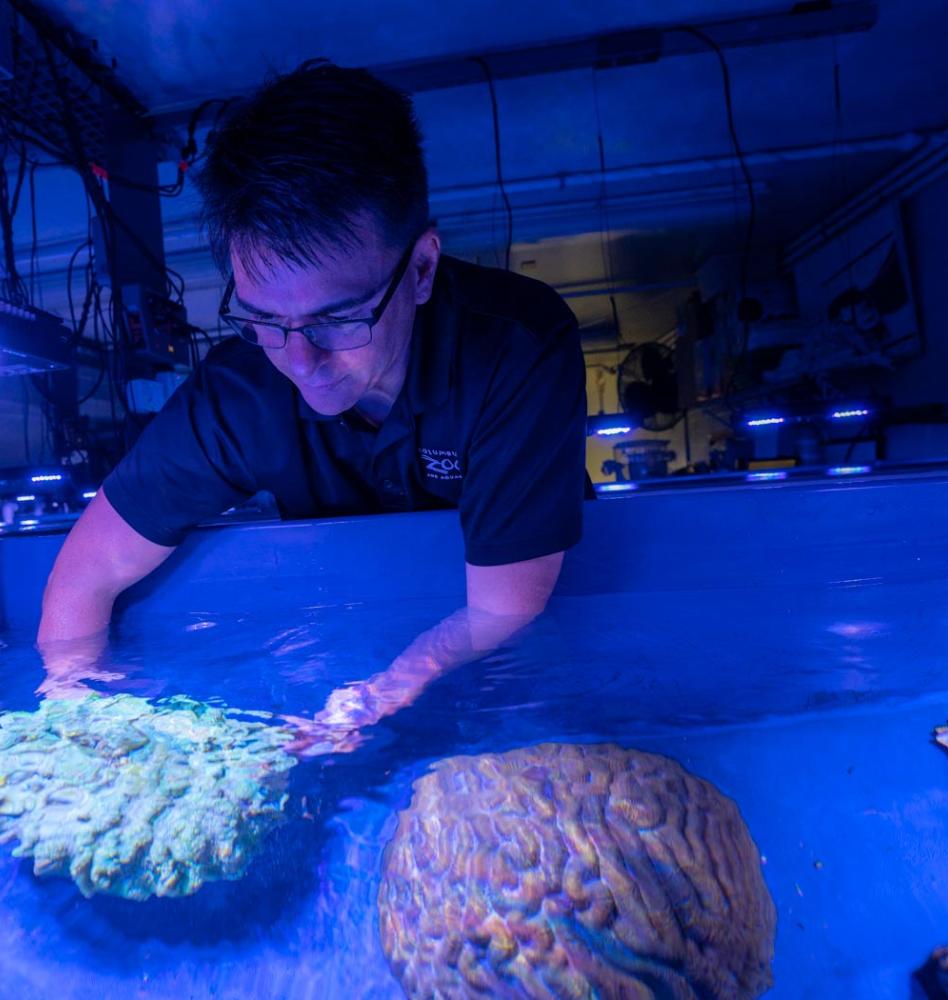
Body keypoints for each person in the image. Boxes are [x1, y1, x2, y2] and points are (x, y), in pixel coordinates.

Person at [38, 62, 587, 753]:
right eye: (263, 318)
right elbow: (88, 573)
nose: (298, 361)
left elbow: (505, 608)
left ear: (420, 269)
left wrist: (369, 700)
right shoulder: (238, 393)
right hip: (348, 642)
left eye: (339, 318)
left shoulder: (514, 347)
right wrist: (72, 710)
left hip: (505, 663)